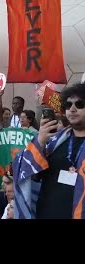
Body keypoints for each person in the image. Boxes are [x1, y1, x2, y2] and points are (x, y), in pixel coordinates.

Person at [14, 82, 85, 219]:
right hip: (46, 212)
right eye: (68, 105)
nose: (72, 109)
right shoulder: (54, 141)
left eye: (79, 104)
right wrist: (40, 141)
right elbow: (25, 171)